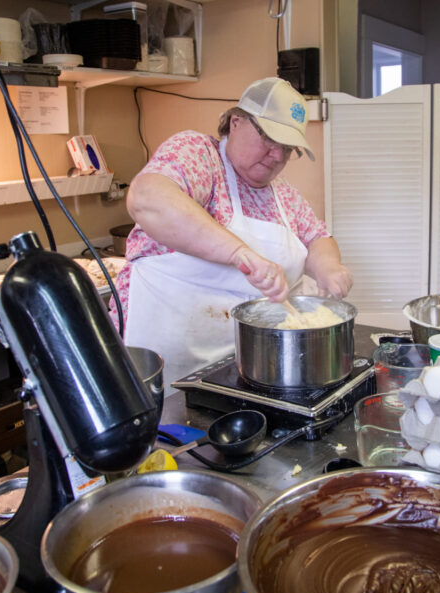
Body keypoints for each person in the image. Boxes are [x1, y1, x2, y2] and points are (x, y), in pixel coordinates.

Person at [110, 77, 353, 390]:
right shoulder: (199, 156)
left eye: (288, 148)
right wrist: (240, 253)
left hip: (234, 365)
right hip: (160, 358)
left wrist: (329, 268)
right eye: (269, 138)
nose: (277, 156)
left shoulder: (281, 195)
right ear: (236, 122)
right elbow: (147, 199)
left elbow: (318, 237)